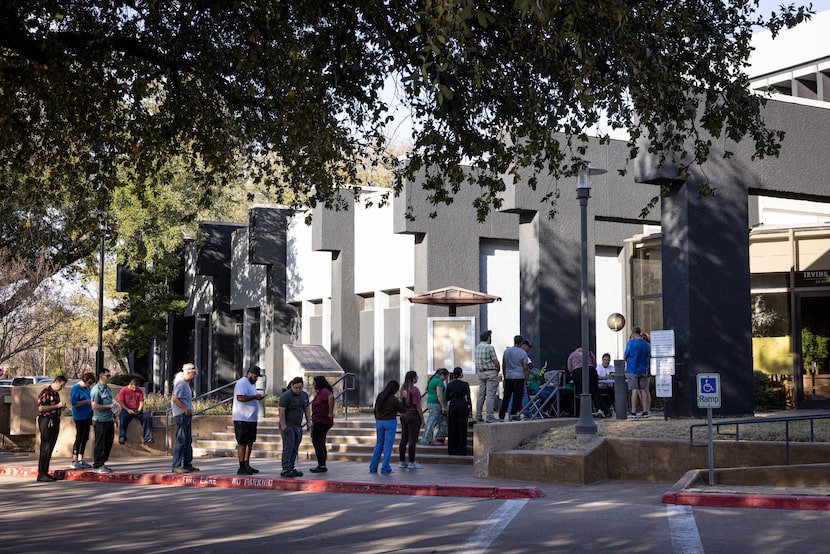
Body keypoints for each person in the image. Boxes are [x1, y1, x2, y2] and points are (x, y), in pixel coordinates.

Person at [233, 366, 264, 475]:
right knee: (242, 442)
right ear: (249, 374)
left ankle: (247, 464)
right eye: (255, 376)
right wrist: (255, 397)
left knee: (250, 442)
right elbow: (240, 398)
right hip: (242, 418)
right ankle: (241, 466)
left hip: (251, 418)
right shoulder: (242, 383)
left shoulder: (251, 385)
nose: (256, 379)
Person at [369, 380, 405, 474]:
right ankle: (385, 468)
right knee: (388, 446)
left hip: (379, 421)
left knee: (379, 444)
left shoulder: (380, 396)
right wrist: (404, 399)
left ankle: (373, 467)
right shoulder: (393, 399)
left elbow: (375, 409)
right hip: (390, 422)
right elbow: (402, 410)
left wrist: (377, 418)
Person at [36, 375, 68, 482]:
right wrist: (57, 406)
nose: (62, 388)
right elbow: (41, 408)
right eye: (62, 385)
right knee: (45, 447)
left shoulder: (56, 394)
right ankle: (41, 474)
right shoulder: (46, 392)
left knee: (50, 447)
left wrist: (61, 408)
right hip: (46, 420)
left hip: (54, 419)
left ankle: (46, 472)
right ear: (57, 382)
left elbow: (56, 406)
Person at [279, 376, 311, 478]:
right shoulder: (286, 396)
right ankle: (286, 468)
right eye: (296, 388)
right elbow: (281, 410)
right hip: (288, 424)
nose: (298, 390)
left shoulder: (304, 395)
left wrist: (308, 422)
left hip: (298, 425)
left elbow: (306, 409)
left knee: (295, 447)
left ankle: (291, 467)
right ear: (292, 386)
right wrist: (283, 425)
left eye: (300, 388)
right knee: (288, 446)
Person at [171, 362, 200, 474]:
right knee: (181, 440)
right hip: (181, 415)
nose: (194, 376)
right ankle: (176, 465)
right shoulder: (181, 383)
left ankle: (187, 463)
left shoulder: (186, 384)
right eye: (193, 374)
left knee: (187, 440)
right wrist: (185, 409)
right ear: (189, 373)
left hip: (186, 415)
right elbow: (175, 399)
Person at [91, 369, 118, 473]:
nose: (109, 377)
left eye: (109, 376)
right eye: (107, 376)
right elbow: (94, 406)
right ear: (101, 376)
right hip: (100, 420)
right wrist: (108, 406)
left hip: (109, 418)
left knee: (108, 442)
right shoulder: (96, 390)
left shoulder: (107, 389)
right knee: (100, 443)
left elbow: (110, 402)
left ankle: (103, 462)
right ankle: (97, 464)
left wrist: (114, 416)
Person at [567, 345, 606, 417]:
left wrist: (573, 372)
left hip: (577, 371)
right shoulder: (589, 353)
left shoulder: (573, 354)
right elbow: (594, 364)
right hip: (590, 370)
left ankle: (582, 412)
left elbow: (569, 367)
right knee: (595, 391)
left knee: (580, 392)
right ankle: (599, 409)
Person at [499, 335, 530, 421]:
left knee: (507, 396)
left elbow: (504, 365)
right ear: (521, 343)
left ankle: (501, 415)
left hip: (509, 376)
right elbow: (525, 367)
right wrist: (527, 379)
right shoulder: (523, 353)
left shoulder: (506, 351)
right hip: (519, 377)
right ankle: (513, 414)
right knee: (517, 397)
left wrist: (505, 376)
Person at [398, 370, 424, 469]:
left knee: (404, 439)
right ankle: (411, 462)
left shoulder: (403, 389)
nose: (417, 378)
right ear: (413, 379)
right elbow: (417, 405)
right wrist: (422, 418)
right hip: (413, 415)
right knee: (412, 439)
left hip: (404, 414)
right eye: (416, 377)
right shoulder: (414, 390)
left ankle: (402, 461)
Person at [117, 377, 154, 445]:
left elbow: (141, 402)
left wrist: (139, 409)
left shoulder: (139, 391)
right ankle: (122, 436)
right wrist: (128, 410)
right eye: (133, 387)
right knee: (122, 417)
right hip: (126, 409)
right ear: (130, 384)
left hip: (136, 409)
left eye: (136, 388)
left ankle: (148, 438)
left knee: (146, 416)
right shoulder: (123, 390)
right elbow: (121, 402)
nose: (134, 389)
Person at [70, 372, 96, 469]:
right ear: (84, 380)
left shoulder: (88, 388)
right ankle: (74, 459)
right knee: (79, 437)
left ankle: (81, 458)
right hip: (79, 416)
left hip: (87, 414)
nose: (89, 385)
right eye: (89, 383)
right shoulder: (76, 388)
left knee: (85, 437)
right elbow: (74, 403)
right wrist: (86, 401)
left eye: (91, 383)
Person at [309, 375, 335, 473]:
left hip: (321, 421)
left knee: (317, 442)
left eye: (315, 383)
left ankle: (321, 465)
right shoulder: (321, 392)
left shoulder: (324, 392)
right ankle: (322, 465)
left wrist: (330, 412)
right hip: (321, 420)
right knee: (321, 442)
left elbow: (331, 397)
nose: (313, 385)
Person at [474, 330, 501, 423]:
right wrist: (498, 369)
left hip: (481, 373)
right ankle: (489, 416)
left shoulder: (477, 347)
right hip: (490, 372)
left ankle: (478, 415)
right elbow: (495, 361)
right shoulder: (489, 347)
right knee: (490, 395)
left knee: (481, 394)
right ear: (488, 337)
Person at [625, 326, 652, 418]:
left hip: (633, 369)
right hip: (643, 369)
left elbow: (625, 356)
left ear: (633, 333)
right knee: (643, 390)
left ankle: (633, 412)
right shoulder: (646, 344)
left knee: (634, 391)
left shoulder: (630, 343)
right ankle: (645, 411)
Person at [445, 367, 472, 455]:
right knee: (462, 428)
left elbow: (447, 398)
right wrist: (470, 410)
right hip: (462, 405)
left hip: (453, 405)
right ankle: (462, 449)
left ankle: (452, 449)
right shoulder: (465, 384)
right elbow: (468, 398)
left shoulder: (449, 385)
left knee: (452, 428)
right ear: (461, 374)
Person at [420, 367, 448, 446]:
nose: (446, 378)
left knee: (433, 420)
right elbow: (439, 394)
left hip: (431, 403)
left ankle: (430, 438)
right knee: (433, 421)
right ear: (441, 374)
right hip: (436, 403)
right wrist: (443, 406)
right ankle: (429, 439)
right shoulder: (438, 382)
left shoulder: (433, 380)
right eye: (445, 376)